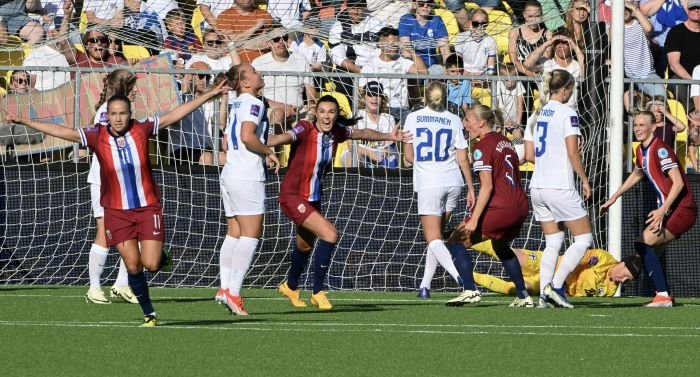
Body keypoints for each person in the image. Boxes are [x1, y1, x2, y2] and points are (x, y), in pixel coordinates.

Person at [5, 80, 230, 326]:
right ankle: (149, 313)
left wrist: (210, 94)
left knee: (151, 264)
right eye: (114, 114)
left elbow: (175, 114)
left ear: (130, 113)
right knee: (133, 264)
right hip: (116, 212)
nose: (118, 118)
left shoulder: (142, 129)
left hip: (147, 208)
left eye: (123, 113)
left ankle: (162, 256)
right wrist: (24, 121)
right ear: (107, 116)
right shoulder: (96, 135)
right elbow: (63, 131)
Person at [267, 95, 409, 310]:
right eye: (322, 111)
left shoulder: (336, 133)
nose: (326, 116)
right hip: (292, 195)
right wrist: (265, 141)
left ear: (336, 115)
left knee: (304, 245)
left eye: (331, 112)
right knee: (330, 234)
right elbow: (281, 139)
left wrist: (389, 135)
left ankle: (291, 285)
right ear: (316, 113)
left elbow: (362, 133)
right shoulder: (304, 129)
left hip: (313, 197)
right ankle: (318, 291)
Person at [601, 111, 697, 307]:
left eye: (642, 125)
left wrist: (662, 210)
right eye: (636, 125)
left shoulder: (661, 150)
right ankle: (661, 293)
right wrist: (615, 196)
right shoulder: (640, 150)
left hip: (681, 209)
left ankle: (662, 295)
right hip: (671, 209)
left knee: (642, 243)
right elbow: (637, 174)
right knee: (647, 250)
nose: (637, 128)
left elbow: (678, 183)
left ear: (654, 127)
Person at [444, 105, 532, 307]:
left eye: (467, 120)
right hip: (520, 205)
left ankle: (470, 290)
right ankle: (523, 295)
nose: (465, 125)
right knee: (499, 245)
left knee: (456, 240)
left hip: (501, 206)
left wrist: (474, 218)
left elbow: (488, 185)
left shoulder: (482, 146)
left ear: (481, 123)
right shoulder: (506, 142)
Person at [523, 69, 593, 309]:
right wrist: (584, 179)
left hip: (537, 186)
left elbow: (529, 154)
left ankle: (544, 295)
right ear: (565, 90)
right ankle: (556, 285)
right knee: (584, 238)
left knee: (553, 241)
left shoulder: (536, 114)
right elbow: (573, 152)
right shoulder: (567, 113)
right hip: (559, 185)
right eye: (571, 89)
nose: (572, 93)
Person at [402, 81, 475, 304]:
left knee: (433, 239)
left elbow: (408, 157)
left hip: (430, 182)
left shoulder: (413, 118)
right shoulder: (454, 119)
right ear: (445, 97)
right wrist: (471, 188)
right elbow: (463, 158)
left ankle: (464, 282)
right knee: (438, 237)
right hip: (454, 182)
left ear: (425, 97)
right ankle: (425, 285)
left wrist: (423, 163)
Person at [217, 63, 280, 316]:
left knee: (233, 232)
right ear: (244, 82)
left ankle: (224, 288)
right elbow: (247, 136)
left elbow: (226, 138)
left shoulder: (236, 103)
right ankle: (234, 291)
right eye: (254, 72)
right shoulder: (254, 103)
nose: (259, 73)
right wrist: (268, 152)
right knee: (251, 235)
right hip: (246, 174)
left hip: (230, 171)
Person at [83, 69, 140, 305]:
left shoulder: (118, 112)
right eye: (133, 86)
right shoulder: (107, 114)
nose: (137, 90)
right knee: (105, 233)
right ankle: (94, 288)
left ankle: (121, 284)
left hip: (121, 181)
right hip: (104, 181)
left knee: (133, 231)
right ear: (124, 88)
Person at [469, 240, 639, 298]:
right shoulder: (602, 259)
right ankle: (465, 240)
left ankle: (466, 275)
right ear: (622, 264)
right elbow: (575, 258)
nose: (622, 281)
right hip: (551, 263)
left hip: (555, 287)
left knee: (518, 289)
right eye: (625, 275)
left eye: (627, 280)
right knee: (516, 258)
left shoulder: (610, 290)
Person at [342, 81, 399, 168]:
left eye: (378, 95)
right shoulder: (355, 116)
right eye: (370, 95)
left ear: (382, 98)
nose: (374, 98)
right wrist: (369, 153)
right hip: (359, 153)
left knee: (392, 161)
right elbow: (351, 146)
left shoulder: (389, 118)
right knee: (353, 159)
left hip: (381, 156)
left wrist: (382, 153)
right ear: (364, 97)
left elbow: (390, 146)